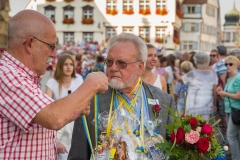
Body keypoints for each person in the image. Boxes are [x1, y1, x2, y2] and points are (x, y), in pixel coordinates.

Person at [0, 10, 108, 159]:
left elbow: (39, 118)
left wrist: (47, 141)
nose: (54, 54)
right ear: (30, 44)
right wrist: (92, 82)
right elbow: (54, 117)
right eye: (51, 46)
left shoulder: (21, 75)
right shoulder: (7, 75)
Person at [68, 33, 175, 160]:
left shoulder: (165, 101)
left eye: (121, 63)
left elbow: (173, 152)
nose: (113, 68)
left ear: (140, 67)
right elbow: (77, 156)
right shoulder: (90, 101)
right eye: (109, 62)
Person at [45, 54, 83, 160]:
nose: (68, 67)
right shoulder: (51, 82)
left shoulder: (79, 79)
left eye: (71, 64)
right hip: (59, 124)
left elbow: (84, 101)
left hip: (76, 122)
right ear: (60, 66)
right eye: (65, 64)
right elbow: (46, 105)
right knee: (62, 154)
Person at [177, 52, 218, 119]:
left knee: (192, 126)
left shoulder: (192, 73)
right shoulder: (213, 74)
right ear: (207, 61)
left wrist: (177, 73)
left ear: (195, 61)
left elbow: (180, 80)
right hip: (207, 105)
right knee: (205, 126)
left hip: (193, 105)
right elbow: (215, 92)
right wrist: (215, 104)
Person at [217, 56, 240, 160]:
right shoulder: (230, 78)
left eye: (230, 64)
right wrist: (220, 92)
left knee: (230, 136)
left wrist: (224, 93)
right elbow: (226, 96)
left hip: (236, 109)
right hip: (229, 109)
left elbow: (238, 95)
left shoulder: (237, 78)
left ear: (236, 65)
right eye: (226, 64)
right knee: (235, 136)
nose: (227, 66)